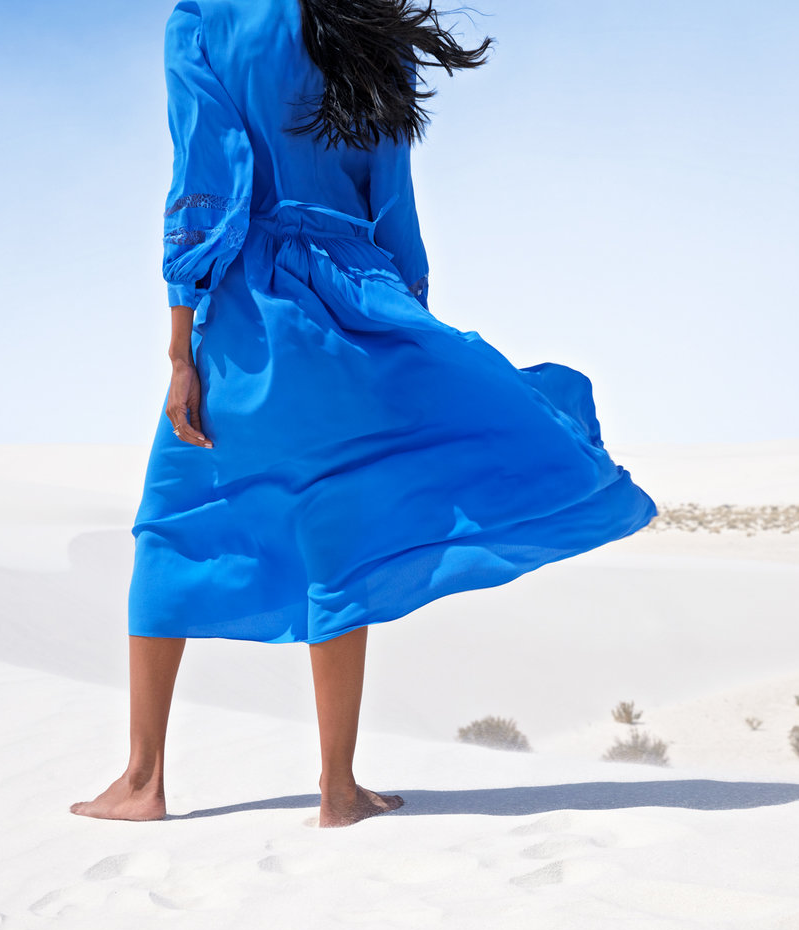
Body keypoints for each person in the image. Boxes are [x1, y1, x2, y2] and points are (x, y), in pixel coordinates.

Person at [72, 0, 658, 828]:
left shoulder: (205, 18)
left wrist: (179, 349)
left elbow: (205, 179)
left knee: (174, 524)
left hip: (252, 309)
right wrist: (401, 326)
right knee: (335, 539)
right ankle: (338, 791)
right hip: (358, 304)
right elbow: (394, 202)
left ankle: (142, 781)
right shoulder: (370, 27)